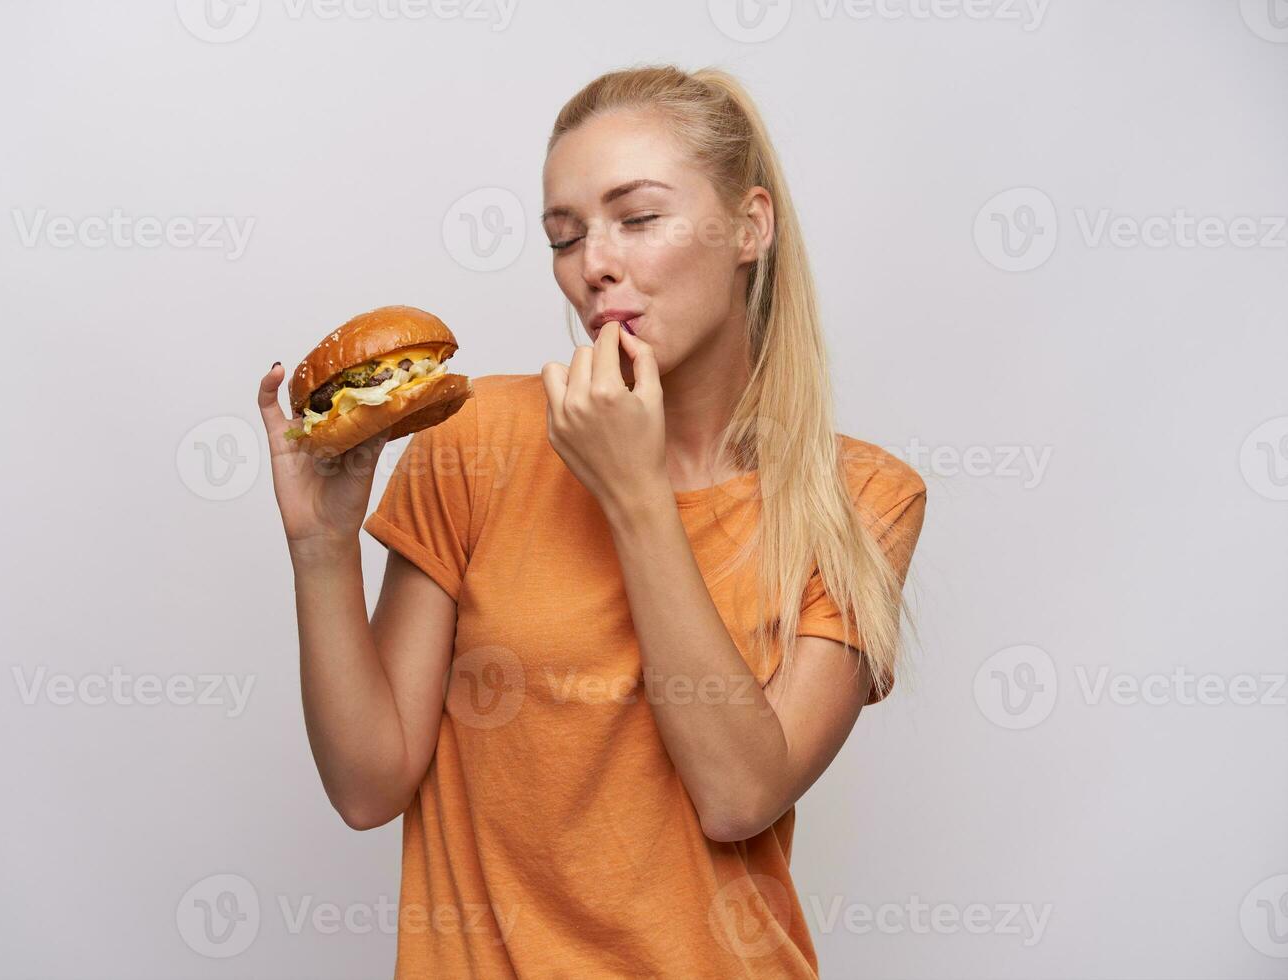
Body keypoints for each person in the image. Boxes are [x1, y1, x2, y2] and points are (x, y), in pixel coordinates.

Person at [256, 63, 927, 979]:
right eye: (563, 237)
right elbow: (369, 787)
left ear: (749, 227)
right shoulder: (474, 438)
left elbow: (739, 795)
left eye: (638, 219)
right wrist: (322, 547)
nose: (593, 265)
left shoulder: (862, 498)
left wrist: (634, 494)